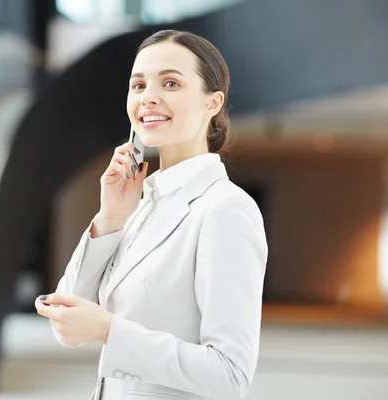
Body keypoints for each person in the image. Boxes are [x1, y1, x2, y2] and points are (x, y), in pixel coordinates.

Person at [35, 29, 268, 400]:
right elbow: (65, 321)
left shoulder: (225, 209)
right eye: (138, 85)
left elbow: (229, 377)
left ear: (212, 103)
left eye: (171, 83)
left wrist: (111, 332)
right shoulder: (140, 204)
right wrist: (110, 217)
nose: (149, 98)